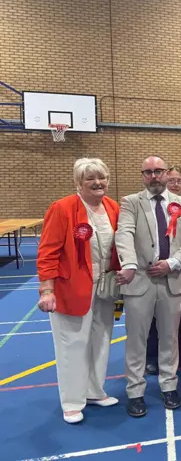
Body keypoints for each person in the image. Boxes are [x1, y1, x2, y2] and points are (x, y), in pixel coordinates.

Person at [36, 158, 120, 423]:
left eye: (102, 178)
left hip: (105, 286)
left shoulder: (112, 207)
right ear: (78, 183)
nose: (98, 183)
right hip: (71, 288)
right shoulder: (62, 208)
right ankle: (72, 402)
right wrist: (46, 290)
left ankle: (95, 391)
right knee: (72, 344)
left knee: (101, 339)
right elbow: (48, 251)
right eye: (90, 179)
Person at [115, 155, 181, 417]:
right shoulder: (130, 203)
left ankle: (169, 385)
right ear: (142, 175)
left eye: (158, 171)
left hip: (172, 280)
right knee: (136, 340)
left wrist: (173, 262)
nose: (154, 176)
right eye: (148, 172)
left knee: (170, 338)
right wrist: (128, 264)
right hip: (139, 280)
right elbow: (124, 233)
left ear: (166, 173)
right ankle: (135, 391)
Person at [147, 164, 181, 375]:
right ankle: (152, 357)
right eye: (171, 180)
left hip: (178, 271)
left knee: (177, 319)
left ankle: (178, 355)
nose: (175, 184)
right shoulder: (148, 205)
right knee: (152, 320)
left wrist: (174, 262)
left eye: (179, 181)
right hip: (152, 273)